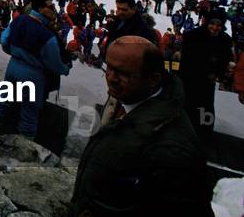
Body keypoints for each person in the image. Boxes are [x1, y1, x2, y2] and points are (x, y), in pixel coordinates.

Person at [70, 36, 212, 215]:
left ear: (153, 79)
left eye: (123, 73)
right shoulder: (127, 100)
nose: (111, 79)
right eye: (109, 68)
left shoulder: (173, 151)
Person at [0, 0, 69, 137]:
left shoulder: (19, 20)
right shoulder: (47, 35)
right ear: (40, 9)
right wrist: (65, 69)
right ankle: (24, 147)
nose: (52, 9)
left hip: (13, 67)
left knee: (2, 102)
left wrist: (15, 54)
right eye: (49, 6)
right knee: (30, 112)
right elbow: (54, 63)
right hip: (33, 74)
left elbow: (5, 40)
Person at [178, 9, 234, 142]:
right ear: (207, 22)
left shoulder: (225, 39)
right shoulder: (194, 35)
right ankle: (183, 133)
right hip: (190, 79)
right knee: (188, 106)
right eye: (212, 23)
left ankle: (204, 135)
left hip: (208, 82)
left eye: (219, 25)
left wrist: (218, 73)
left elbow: (225, 60)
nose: (215, 28)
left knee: (205, 108)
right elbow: (186, 59)